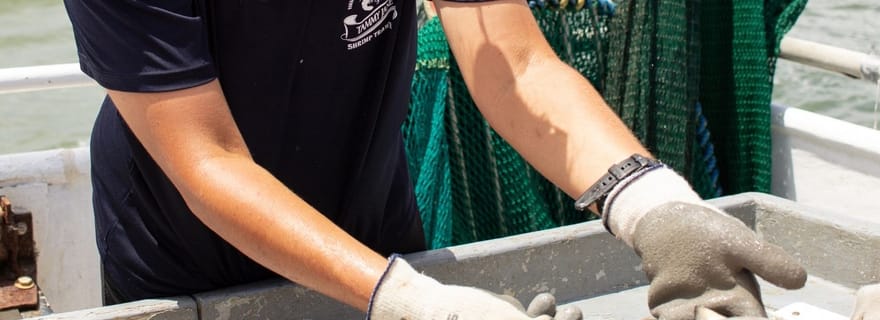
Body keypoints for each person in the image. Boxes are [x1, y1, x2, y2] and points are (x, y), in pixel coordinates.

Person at [63, 0, 807, 318]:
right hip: (187, 257)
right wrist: (411, 303)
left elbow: (514, 67)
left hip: (370, 218)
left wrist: (652, 204)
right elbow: (209, 161)